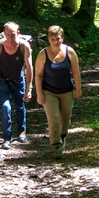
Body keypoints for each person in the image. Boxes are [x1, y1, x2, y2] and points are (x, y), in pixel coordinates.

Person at [34, 25, 82, 158]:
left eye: (58, 38)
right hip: (49, 91)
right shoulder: (43, 54)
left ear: (62, 38)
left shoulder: (70, 52)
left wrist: (78, 89)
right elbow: (38, 75)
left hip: (67, 91)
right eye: (53, 39)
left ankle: (62, 137)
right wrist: (39, 93)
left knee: (65, 120)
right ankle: (55, 146)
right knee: (54, 118)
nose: (56, 41)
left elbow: (76, 72)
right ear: (49, 39)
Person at [0, 22, 33, 149]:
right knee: (5, 107)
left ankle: (22, 132)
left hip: (18, 80)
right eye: (7, 35)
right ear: (3, 33)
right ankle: (7, 137)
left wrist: (29, 88)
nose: (10, 38)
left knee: (20, 106)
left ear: (18, 33)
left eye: (12, 35)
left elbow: (29, 67)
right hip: (2, 80)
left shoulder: (24, 46)